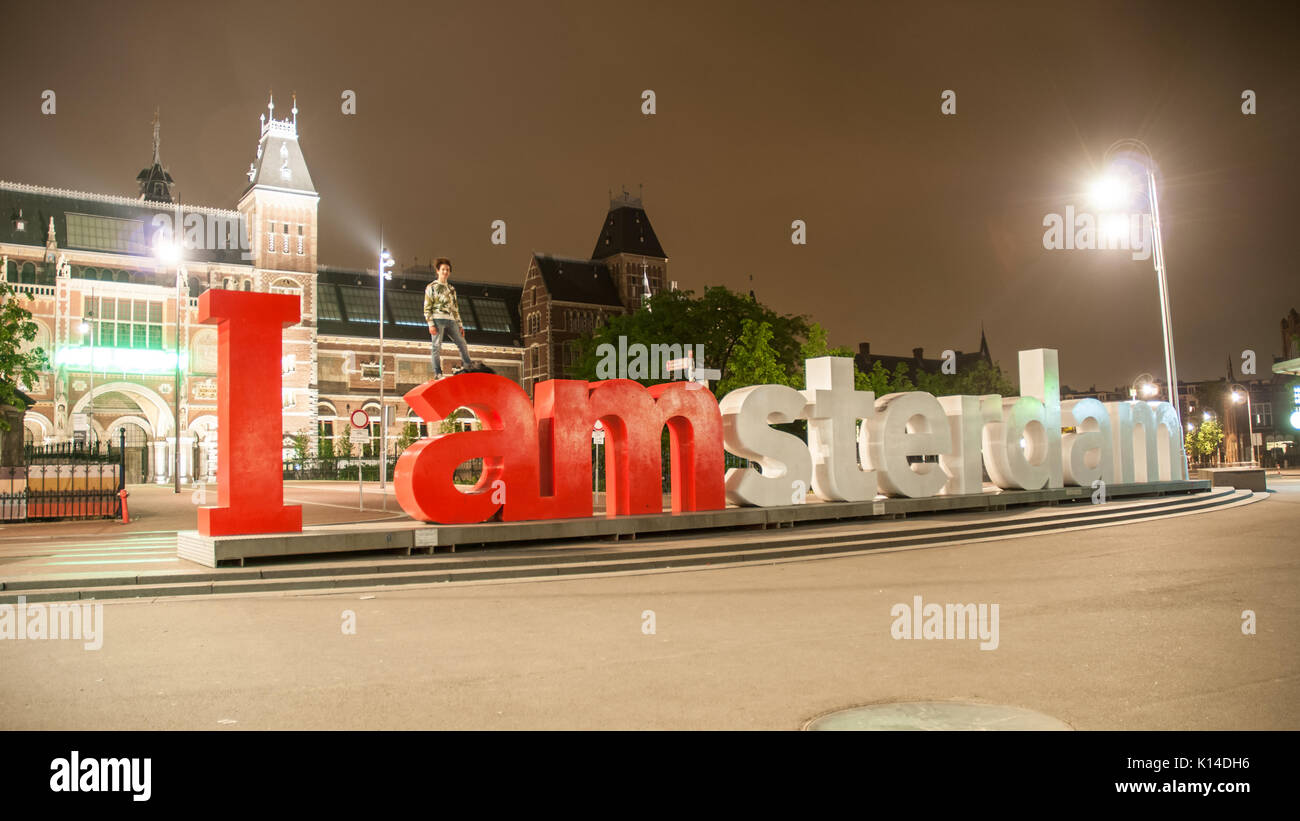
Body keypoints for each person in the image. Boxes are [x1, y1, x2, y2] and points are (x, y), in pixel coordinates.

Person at [423, 258, 473, 379]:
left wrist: (460, 325)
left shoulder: (451, 289)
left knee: (462, 343)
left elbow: (455, 308)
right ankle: (438, 373)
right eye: (443, 269)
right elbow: (427, 306)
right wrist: (430, 323)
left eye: (447, 270)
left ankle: (468, 367)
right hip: (437, 319)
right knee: (436, 346)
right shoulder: (431, 287)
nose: (445, 272)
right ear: (438, 271)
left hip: (451, 320)